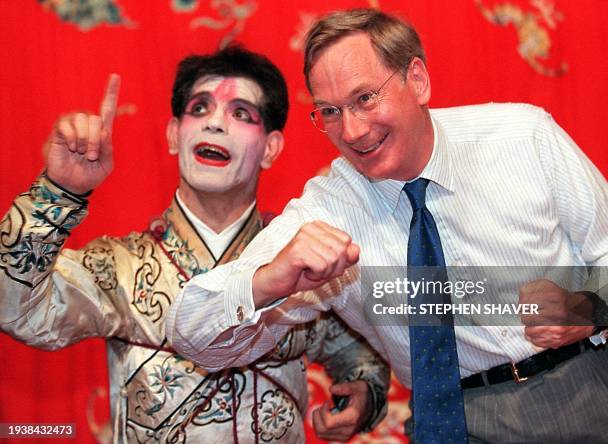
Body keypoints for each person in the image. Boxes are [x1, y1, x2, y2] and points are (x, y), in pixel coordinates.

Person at [166, 9, 608, 444]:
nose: (354, 131)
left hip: (585, 384)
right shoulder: (328, 209)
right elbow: (193, 335)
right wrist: (267, 282)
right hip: (453, 418)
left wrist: (587, 310)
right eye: (331, 112)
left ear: (416, 79)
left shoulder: (521, 138)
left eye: (365, 98)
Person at [0, 46, 390, 443]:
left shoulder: (300, 260)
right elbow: (15, 309)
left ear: (270, 148)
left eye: (241, 113)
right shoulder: (120, 267)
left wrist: (362, 393)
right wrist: (60, 191)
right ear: (174, 134)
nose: (215, 124)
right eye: (200, 109)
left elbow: (358, 349)